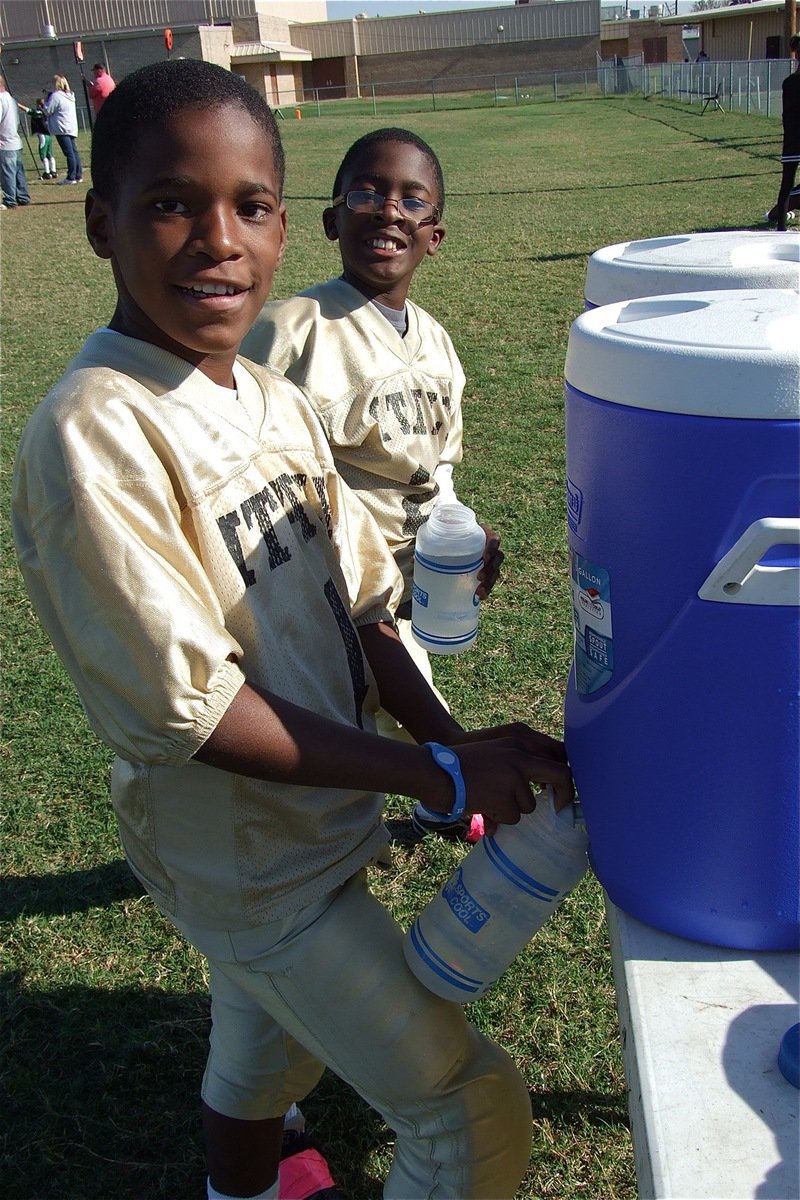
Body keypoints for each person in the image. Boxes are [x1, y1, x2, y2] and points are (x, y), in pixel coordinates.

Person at [13, 58, 573, 1200]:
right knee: (467, 1111)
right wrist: (431, 772)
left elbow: (360, 602)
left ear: (279, 227)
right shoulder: (96, 431)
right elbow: (194, 710)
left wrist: (445, 735)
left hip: (309, 828)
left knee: (266, 1048)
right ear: (101, 223)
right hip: (247, 859)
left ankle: (243, 1188)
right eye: (172, 202)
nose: (217, 239)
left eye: (248, 206)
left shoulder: (269, 395)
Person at [241, 128, 503, 839]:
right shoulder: (292, 330)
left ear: (434, 236)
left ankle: (436, 783)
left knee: (393, 690)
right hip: (328, 574)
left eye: (411, 199)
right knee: (380, 694)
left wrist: (464, 531)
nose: (388, 210)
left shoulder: (436, 342)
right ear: (332, 220)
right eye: (367, 192)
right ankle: (446, 785)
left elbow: (437, 469)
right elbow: (239, 446)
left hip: (411, 571)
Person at [765, 34, 800, 231]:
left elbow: (787, 116)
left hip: (792, 139)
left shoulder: (788, 83)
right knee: (788, 184)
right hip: (794, 138)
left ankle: (781, 227)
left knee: (786, 183)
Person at [44, 75, 83, 184]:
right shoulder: (69, 95)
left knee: (69, 153)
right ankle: (78, 174)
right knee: (74, 152)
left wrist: (45, 102)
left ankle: (71, 177)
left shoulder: (56, 96)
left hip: (61, 127)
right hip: (70, 126)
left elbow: (48, 110)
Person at [0, 76, 31, 209]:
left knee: (7, 172)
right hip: (15, 141)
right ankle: (22, 196)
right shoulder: (11, 99)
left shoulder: (1, 100)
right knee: (18, 172)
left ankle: (10, 199)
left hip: (5, 142)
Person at [18, 96, 58, 178]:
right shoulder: (46, 112)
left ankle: (47, 173)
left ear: (38, 104)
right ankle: (53, 171)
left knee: (42, 153)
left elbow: (28, 110)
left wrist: (18, 105)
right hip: (49, 135)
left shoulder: (38, 112)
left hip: (42, 134)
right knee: (49, 153)